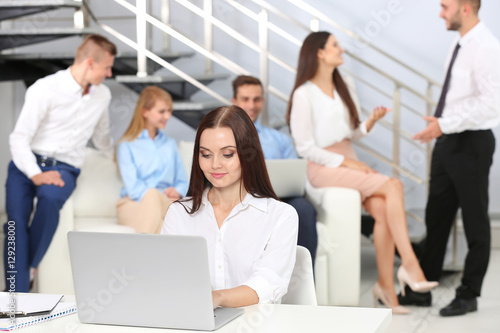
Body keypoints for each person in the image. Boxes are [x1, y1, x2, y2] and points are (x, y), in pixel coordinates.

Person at [287, 31, 438, 314]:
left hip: (348, 156)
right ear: (319, 53)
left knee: (382, 209)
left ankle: (386, 289)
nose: (341, 49)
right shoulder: (303, 94)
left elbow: (351, 134)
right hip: (323, 166)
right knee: (393, 185)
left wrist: (369, 122)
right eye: (335, 45)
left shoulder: (346, 86)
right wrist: (346, 163)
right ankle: (410, 264)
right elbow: (304, 146)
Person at [403, 0, 500, 317]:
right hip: (448, 140)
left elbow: (491, 106)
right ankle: (424, 288)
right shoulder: (459, 43)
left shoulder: (485, 46)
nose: (440, 13)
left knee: (474, 221)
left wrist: (444, 124)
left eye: (445, 6)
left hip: (471, 142)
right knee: (437, 216)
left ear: (466, 9)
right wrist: (442, 126)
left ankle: (468, 293)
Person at [4, 34, 117, 292]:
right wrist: (34, 173)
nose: (109, 73)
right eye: (107, 67)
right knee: (15, 224)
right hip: (26, 164)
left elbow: (101, 136)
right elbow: (19, 138)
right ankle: (15, 299)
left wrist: (117, 153)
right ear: (89, 63)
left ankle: (31, 265)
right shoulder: (45, 89)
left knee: (50, 198)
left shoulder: (103, 96)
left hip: (64, 167)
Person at [161, 105, 299, 308]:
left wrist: (218, 298)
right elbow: (166, 276)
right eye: (206, 155)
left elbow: (268, 284)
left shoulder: (281, 216)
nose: (215, 164)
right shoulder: (179, 213)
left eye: (227, 154)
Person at [231, 75, 318, 266]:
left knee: (304, 207)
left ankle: (304, 282)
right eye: (245, 99)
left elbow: (295, 178)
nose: (252, 105)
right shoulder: (224, 137)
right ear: (234, 102)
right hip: (240, 197)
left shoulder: (280, 139)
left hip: (278, 198)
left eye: (257, 99)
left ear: (262, 100)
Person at [116, 86, 189, 233]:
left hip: (166, 202)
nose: (167, 116)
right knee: (153, 200)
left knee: (163, 215)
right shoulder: (126, 145)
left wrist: (177, 191)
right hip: (133, 204)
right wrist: (157, 196)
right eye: (162, 111)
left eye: (169, 111)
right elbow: (134, 189)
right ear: (145, 112)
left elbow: (182, 181)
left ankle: (138, 255)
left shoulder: (170, 144)